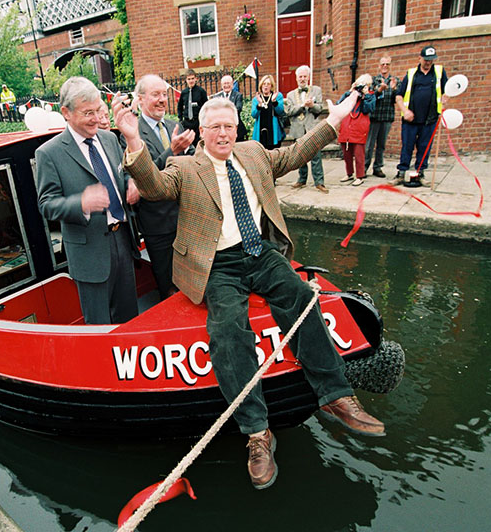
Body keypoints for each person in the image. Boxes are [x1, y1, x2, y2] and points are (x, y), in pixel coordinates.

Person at [115, 91, 385, 490]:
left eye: (229, 126)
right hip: (217, 263)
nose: (223, 134)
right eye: (215, 128)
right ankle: (258, 432)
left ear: (236, 129)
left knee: (299, 297)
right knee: (227, 332)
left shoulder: (255, 152)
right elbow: (153, 188)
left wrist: (337, 119)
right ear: (202, 132)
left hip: (260, 252)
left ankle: (335, 394)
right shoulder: (185, 167)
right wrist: (134, 142)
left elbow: (296, 154)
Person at [35, 76, 141, 325]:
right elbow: (46, 205)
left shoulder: (109, 138)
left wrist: (131, 182)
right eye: (88, 113)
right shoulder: (49, 153)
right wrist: (80, 203)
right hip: (89, 254)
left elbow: (120, 174)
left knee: (129, 320)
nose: (96, 119)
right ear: (66, 113)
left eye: (98, 110)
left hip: (123, 241)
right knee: (100, 327)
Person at [125, 74, 195, 299]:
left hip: (186, 218)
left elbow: (192, 160)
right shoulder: (131, 134)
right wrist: (171, 151)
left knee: (194, 281)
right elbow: (143, 173)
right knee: (170, 287)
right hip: (158, 224)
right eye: (156, 95)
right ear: (141, 99)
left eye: (164, 94)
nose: (162, 100)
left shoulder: (175, 125)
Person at [393, 45, 448, 187]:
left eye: (431, 60)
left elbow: (446, 91)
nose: (428, 62)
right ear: (420, 58)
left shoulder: (439, 73)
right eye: (426, 59)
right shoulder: (411, 74)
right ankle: (401, 174)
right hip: (410, 120)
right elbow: (399, 96)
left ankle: (420, 173)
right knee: (407, 147)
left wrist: (446, 98)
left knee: (424, 147)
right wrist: (405, 111)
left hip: (429, 119)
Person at [286, 65, 327, 193]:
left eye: (305, 76)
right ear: (296, 78)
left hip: (311, 127)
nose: (302, 79)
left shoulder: (316, 90)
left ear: (308, 77)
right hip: (298, 128)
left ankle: (319, 182)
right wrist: (302, 106)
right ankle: (302, 179)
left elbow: (320, 109)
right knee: (300, 155)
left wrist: (312, 105)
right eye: (300, 77)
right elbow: (289, 111)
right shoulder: (291, 94)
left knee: (316, 155)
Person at [338, 75, 376, 187]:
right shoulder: (350, 95)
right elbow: (339, 104)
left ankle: (360, 176)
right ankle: (349, 173)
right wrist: (350, 92)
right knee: (346, 152)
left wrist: (366, 95)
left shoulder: (370, 96)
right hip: (346, 127)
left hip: (359, 127)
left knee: (359, 154)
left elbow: (368, 109)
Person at [364, 56, 398, 178]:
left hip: (387, 116)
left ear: (390, 66)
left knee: (381, 145)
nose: (385, 66)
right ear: (379, 66)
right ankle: (364, 167)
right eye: (383, 64)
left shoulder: (394, 80)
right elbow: (370, 96)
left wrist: (394, 90)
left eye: (387, 64)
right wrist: (379, 90)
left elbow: (396, 99)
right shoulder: (373, 80)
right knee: (369, 145)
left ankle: (377, 167)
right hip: (374, 117)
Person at [251, 75, 285, 150]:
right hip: (260, 132)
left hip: (273, 131)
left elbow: (280, 112)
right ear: (261, 85)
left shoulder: (277, 96)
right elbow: (254, 115)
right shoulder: (256, 98)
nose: (265, 86)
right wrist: (259, 104)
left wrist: (274, 101)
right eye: (264, 84)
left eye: (268, 84)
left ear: (271, 86)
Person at [177, 69, 207, 147]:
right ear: (186, 80)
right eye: (189, 79)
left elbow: (206, 107)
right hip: (187, 123)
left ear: (196, 79)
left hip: (197, 122)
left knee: (198, 143)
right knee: (188, 144)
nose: (191, 81)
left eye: (192, 78)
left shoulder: (201, 91)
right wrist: (181, 119)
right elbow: (179, 106)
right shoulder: (184, 93)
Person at [212, 74, 247, 141]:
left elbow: (238, 109)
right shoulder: (216, 97)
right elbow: (215, 110)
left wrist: (227, 105)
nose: (226, 85)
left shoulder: (238, 95)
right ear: (222, 85)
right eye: (224, 83)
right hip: (222, 129)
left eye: (228, 83)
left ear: (232, 84)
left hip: (236, 128)